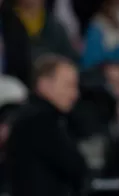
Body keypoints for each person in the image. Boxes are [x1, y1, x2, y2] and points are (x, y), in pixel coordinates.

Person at [6, 53, 87, 196]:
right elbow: (75, 167)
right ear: (44, 85)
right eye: (69, 85)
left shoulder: (27, 115)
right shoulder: (39, 121)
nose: (75, 94)